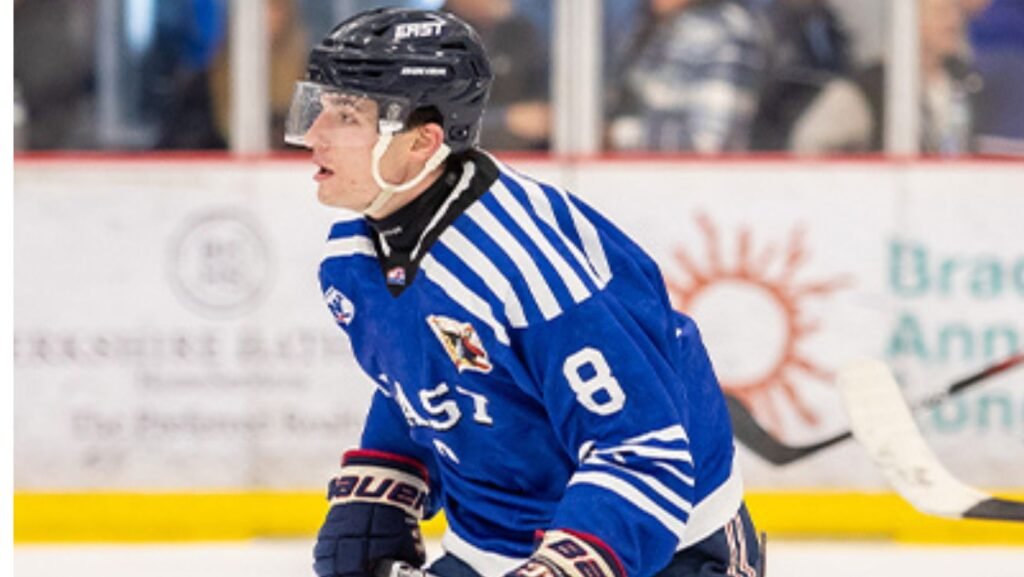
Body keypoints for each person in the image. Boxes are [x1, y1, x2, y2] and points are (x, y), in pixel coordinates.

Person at [286, 8, 761, 577]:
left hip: (665, 550)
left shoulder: (524, 268)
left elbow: (643, 452)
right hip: (493, 549)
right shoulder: (355, 256)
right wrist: (388, 477)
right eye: (318, 108)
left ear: (420, 141)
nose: (313, 135)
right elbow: (431, 372)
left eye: (344, 116)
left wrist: (560, 568)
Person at [605, 0, 769, 153]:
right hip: (644, 177)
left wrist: (617, 135)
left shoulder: (730, 33)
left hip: (696, 181)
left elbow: (708, 144)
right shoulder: (652, 29)